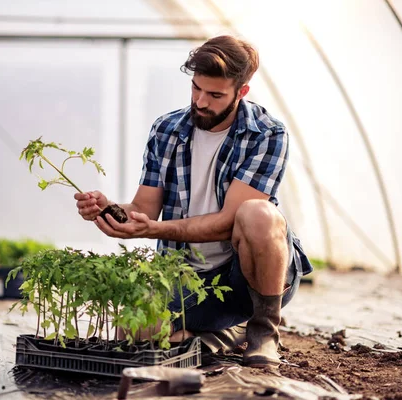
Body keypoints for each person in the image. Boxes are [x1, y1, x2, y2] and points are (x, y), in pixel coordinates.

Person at [75, 35, 313, 369]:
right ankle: (226, 335)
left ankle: (263, 332)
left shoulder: (267, 134)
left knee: (259, 214)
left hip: (246, 278)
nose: (200, 102)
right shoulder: (167, 129)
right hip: (186, 276)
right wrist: (108, 209)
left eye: (215, 95)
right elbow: (143, 208)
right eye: (195, 88)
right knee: (135, 331)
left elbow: (231, 220)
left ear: (241, 92)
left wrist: (155, 229)